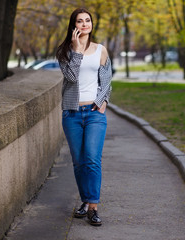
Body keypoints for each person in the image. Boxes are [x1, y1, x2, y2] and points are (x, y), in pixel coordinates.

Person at [56, 8, 112, 226]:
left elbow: (107, 80)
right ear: (74, 25)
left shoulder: (101, 50)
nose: (84, 24)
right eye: (80, 21)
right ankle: (85, 200)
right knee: (79, 162)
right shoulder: (64, 51)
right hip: (71, 113)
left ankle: (93, 207)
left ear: (91, 24)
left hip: (94, 113)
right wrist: (77, 50)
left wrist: (103, 101)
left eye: (87, 20)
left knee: (91, 158)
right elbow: (70, 77)